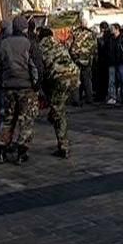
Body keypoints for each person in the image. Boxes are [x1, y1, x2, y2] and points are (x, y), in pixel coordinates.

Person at [0, 16, 42, 165]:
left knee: (8, 119)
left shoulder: (3, 44)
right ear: (25, 28)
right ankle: (21, 152)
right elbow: (35, 67)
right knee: (26, 121)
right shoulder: (29, 44)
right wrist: (36, 85)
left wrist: (0, 82)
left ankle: (2, 149)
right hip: (26, 88)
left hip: (8, 88)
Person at [39, 28, 80, 159]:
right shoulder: (58, 45)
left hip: (59, 79)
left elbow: (41, 70)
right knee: (58, 107)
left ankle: (63, 146)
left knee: (58, 113)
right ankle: (54, 115)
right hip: (73, 76)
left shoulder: (40, 48)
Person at [69, 18, 97, 106]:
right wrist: (94, 57)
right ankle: (89, 98)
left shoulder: (75, 32)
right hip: (87, 59)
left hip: (76, 58)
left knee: (76, 80)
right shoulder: (91, 33)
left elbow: (70, 45)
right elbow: (95, 47)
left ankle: (76, 99)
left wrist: (72, 55)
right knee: (87, 79)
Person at [106, 23, 123, 105]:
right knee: (112, 81)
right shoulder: (110, 39)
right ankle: (113, 97)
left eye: (112, 28)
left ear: (117, 29)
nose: (111, 30)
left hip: (121, 62)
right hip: (112, 62)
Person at [95, 21, 110, 102]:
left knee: (101, 79)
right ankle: (103, 94)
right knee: (105, 79)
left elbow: (101, 47)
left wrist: (99, 38)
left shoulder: (102, 37)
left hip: (102, 60)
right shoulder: (109, 36)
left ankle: (100, 95)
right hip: (106, 60)